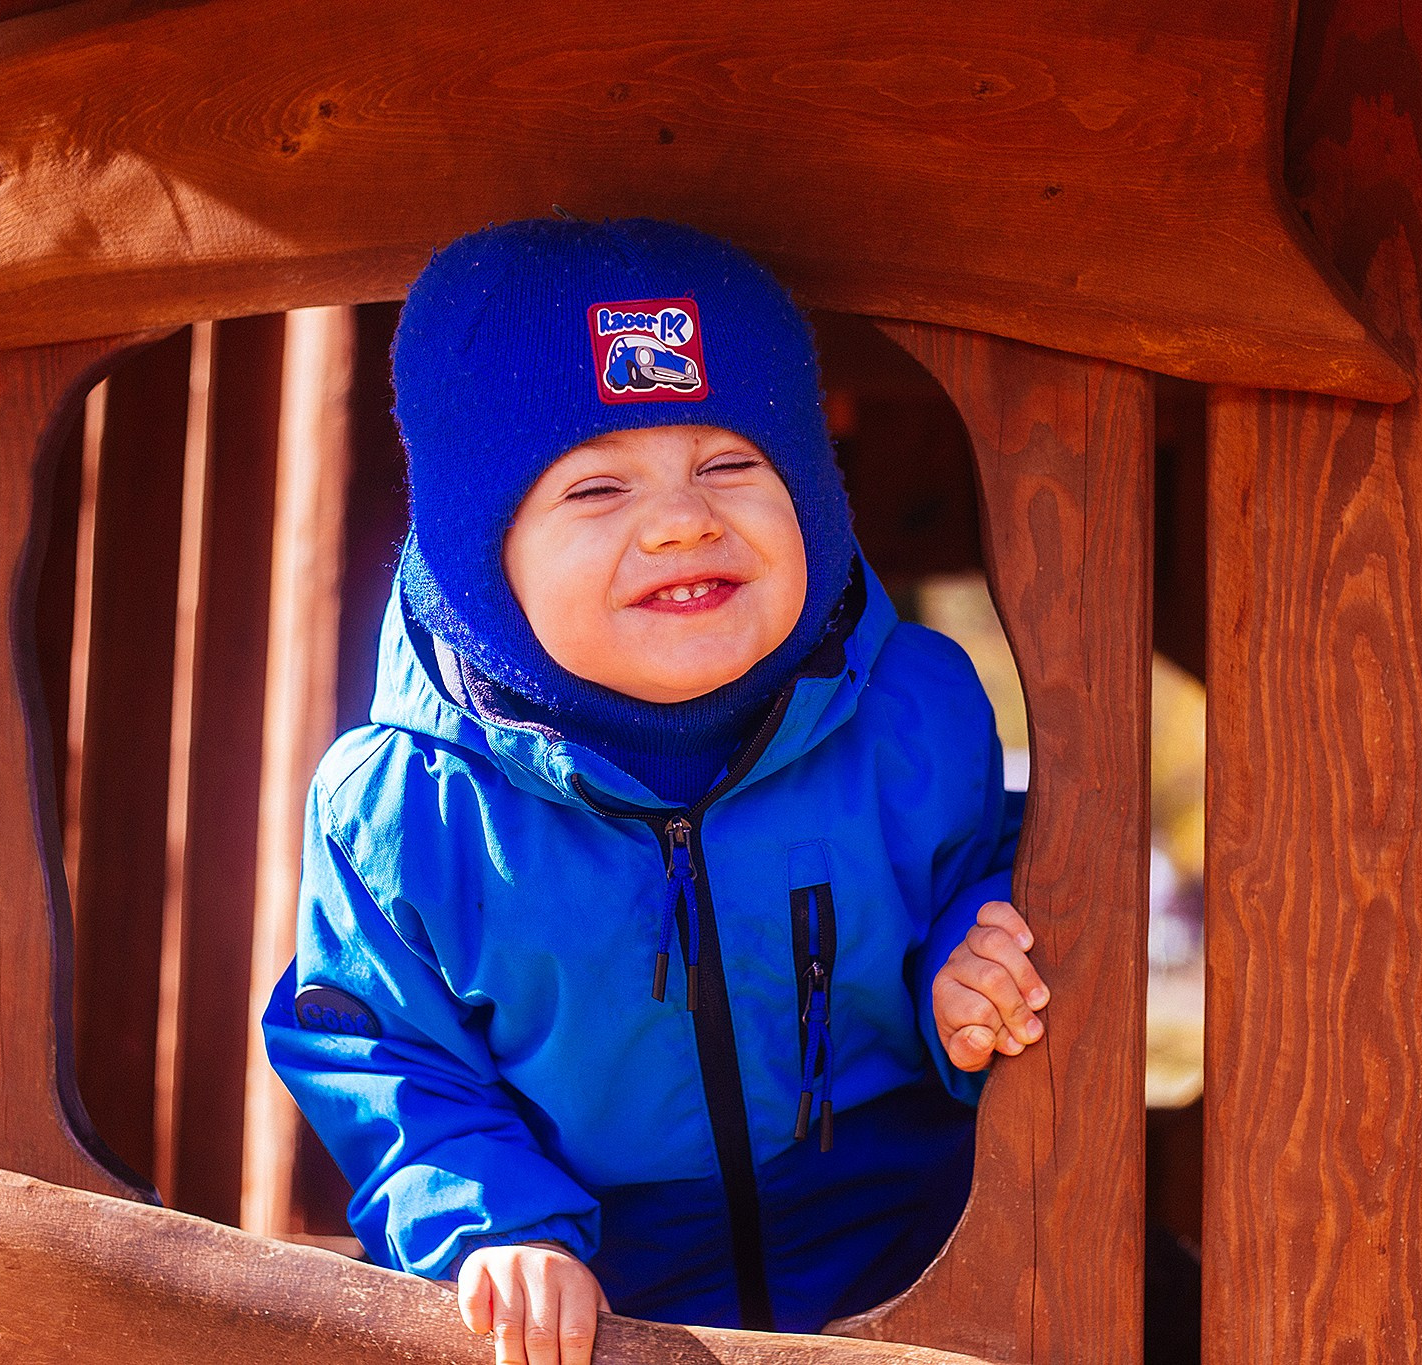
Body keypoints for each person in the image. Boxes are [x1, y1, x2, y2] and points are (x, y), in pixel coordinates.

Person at [262, 217, 1047, 1365]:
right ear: (484, 561)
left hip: (913, 1240)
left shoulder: (910, 711)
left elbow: (988, 872)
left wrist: (959, 967)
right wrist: (494, 1226)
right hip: (598, 1287)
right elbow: (384, 1054)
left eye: (730, 464)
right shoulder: (404, 809)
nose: (681, 519)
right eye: (594, 490)